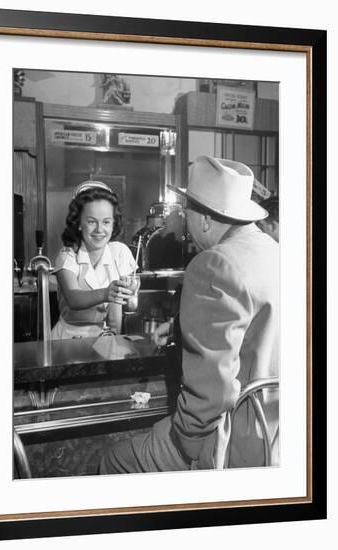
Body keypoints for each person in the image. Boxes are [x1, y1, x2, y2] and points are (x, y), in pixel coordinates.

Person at [100, 155, 279, 473]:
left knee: (113, 461)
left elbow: (212, 393)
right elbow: (256, 324)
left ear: (207, 219)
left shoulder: (213, 263)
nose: (184, 219)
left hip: (233, 446)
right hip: (280, 440)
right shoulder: (275, 251)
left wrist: (185, 447)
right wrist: (182, 325)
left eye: (187, 211)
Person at [51, 181, 137, 340]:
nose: (99, 230)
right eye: (91, 221)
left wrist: (114, 340)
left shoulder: (119, 252)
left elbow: (115, 314)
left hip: (102, 338)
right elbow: (74, 299)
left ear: (113, 224)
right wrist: (106, 293)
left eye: (106, 222)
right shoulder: (68, 256)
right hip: (66, 340)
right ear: (78, 223)